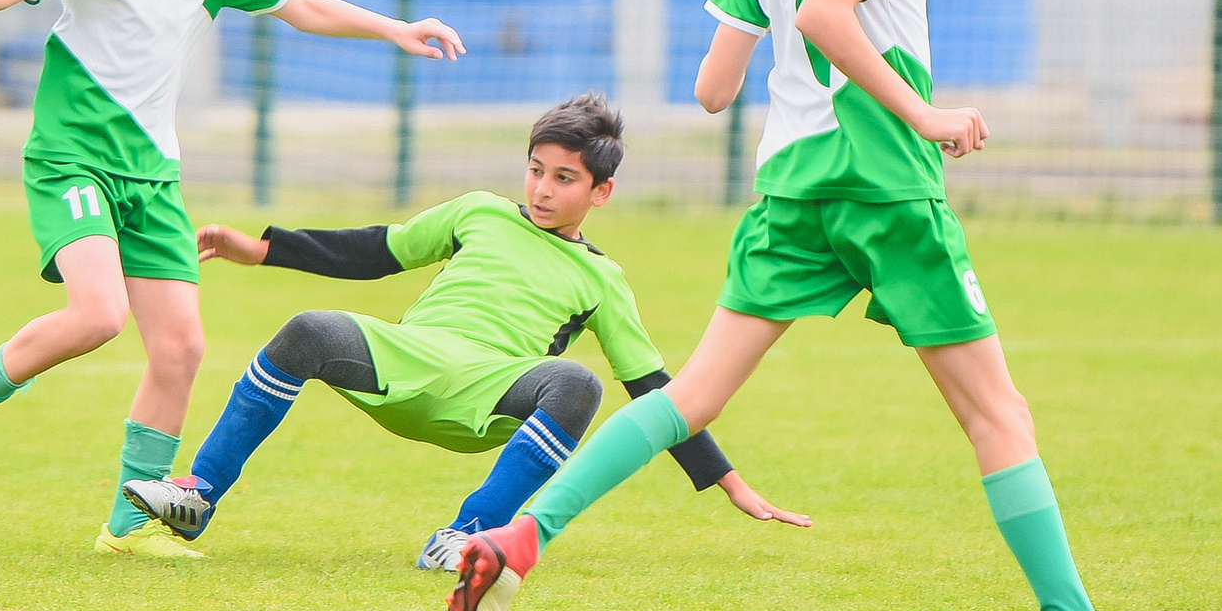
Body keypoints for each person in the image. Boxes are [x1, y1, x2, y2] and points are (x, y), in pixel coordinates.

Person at [447, 0, 1204, 611]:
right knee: (996, 415)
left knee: (692, 396)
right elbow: (825, 15)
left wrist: (760, 12)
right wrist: (925, 110)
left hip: (790, 192)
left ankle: (519, 539)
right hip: (885, 187)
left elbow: (714, 89)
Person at [0, 0, 463, 558]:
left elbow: (300, 4)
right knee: (100, 314)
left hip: (154, 178)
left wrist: (396, 27)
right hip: (72, 160)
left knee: (179, 349)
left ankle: (130, 523)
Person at [123, 93, 809, 564]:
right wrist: (264, 247)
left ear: (601, 191)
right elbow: (377, 249)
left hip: (487, 391)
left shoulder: (604, 279)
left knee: (577, 381)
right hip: (407, 359)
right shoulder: (479, 211)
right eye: (536, 170)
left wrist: (727, 479)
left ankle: (465, 537)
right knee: (307, 329)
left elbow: (657, 388)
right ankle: (198, 494)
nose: (543, 188)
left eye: (564, 178)